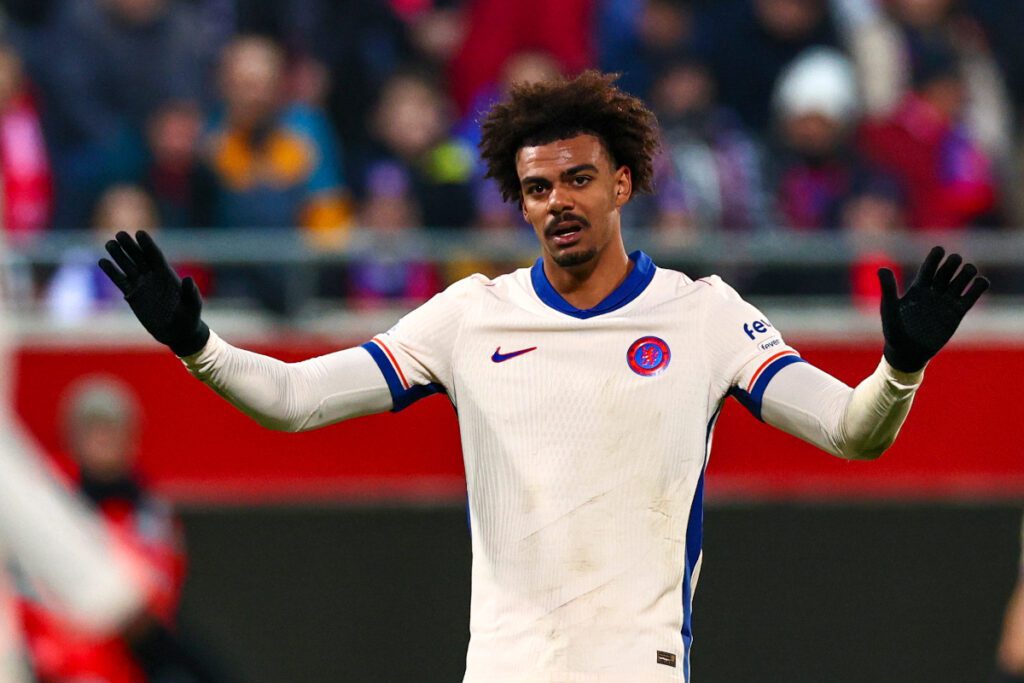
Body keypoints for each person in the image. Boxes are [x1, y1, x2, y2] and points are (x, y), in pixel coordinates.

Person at [99, 71, 989, 682]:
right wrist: (196, 342)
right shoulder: (469, 315)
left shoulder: (705, 313)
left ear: (623, 184)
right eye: (536, 188)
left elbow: (850, 430)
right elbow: (294, 400)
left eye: (577, 179)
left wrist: (901, 366)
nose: (556, 201)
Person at [16, 377, 187, 683]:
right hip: (53, 667)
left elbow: (153, 602)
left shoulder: (151, 514)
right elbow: (29, 592)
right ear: (72, 436)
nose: (101, 437)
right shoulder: (47, 497)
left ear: (131, 438)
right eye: (90, 427)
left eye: (110, 427)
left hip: (126, 667)